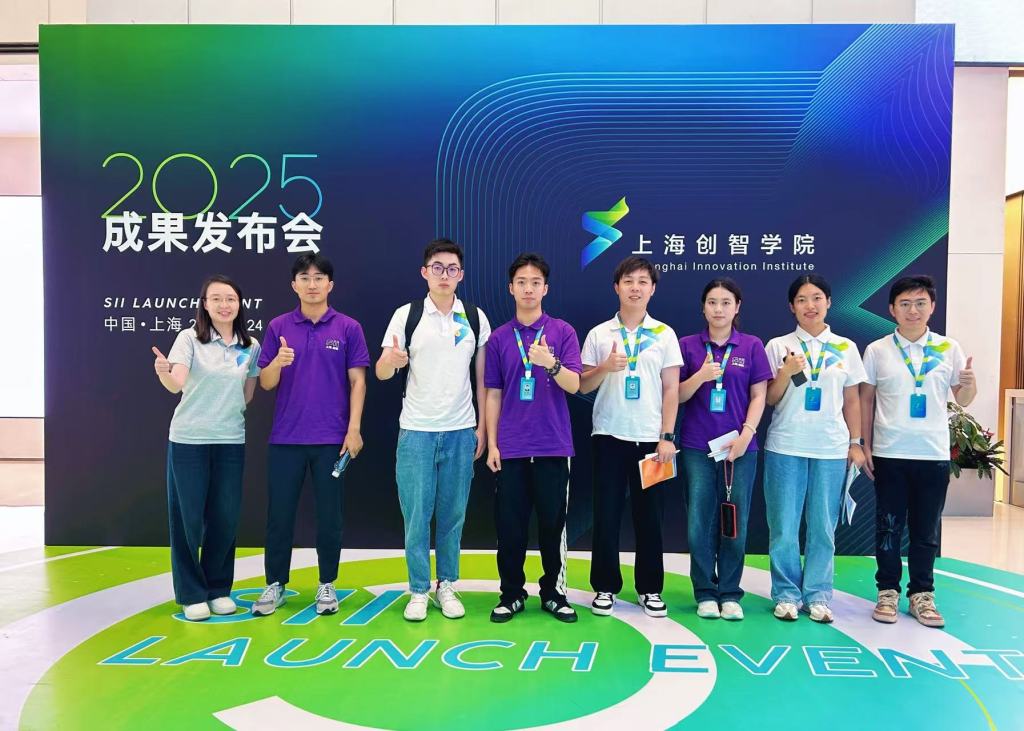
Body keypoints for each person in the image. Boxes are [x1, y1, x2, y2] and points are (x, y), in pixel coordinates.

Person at [376, 238, 490, 621]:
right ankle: (418, 589)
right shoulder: (407, 315)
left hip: (461, 430)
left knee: (453, 515)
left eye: (452, 269)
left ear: (461, 274)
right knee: (416, 516)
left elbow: (483, 379)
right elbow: (381, 371)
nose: (445, 275)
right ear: (425, 272)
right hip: (416, 431)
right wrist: (392, 361)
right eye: (437, 268)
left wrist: (482, 428)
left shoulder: (474, 317)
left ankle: (447, 585)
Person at [251, 254, 369, 617]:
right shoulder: (278, 326)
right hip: (286, 438)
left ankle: (327, 584)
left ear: (330, 285)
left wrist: (353, 429)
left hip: (331, 439)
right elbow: (266, 382)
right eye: (305, 277)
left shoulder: (348, 327)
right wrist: (276, 363)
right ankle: (275, 584)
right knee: (279, 516)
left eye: (319, 278)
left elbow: (358, 381)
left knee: (330, 516)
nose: (312, 284)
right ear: (294, 285)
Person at [861, 275, 975, 628]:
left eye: (921, 303)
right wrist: (865, 445)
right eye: (906, 304)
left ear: (932, 307)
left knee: (926, 531)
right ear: (892, 309)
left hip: (933, 453)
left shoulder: (948, 348)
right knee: (888, 527)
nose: (913, 310)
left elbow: (963, 399)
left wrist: (970, 384)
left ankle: (922, 594)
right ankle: (887, 592)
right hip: (890, 452)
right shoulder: (878, 350)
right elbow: (866, 400)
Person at [153, 275, 261, 621]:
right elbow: (176, 383)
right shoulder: (189, 338)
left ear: (239, 304)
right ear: (204, 304)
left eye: (230, 298)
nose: (224, 305)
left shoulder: (250, 346)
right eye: (216, 299)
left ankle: (218, 589)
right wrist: (163, 372)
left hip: (230, 439)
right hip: (189, 439)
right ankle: (191, 594)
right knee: (187, 520)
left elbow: (247, 395)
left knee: (225, 518)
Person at [580, 255, 682, 618]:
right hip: (609, 435)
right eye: (628, 281)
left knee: (650, 518)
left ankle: (650, 588)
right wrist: (605, 367)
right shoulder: (599, 334)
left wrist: (667, 435)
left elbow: (671, 389)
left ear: (652, 289)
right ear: (616, 287)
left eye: (642, 282)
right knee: (606, 515)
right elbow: (582, 384)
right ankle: (604, 587)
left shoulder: (665, 334)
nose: (635, 288)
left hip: (652, 441)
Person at [763, 275, 867, 624]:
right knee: (784, 526)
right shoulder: (779, 346)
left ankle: (818, 595)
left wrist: (856, 443)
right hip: (786, 445)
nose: (810, 305)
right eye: (802, 299)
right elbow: (770, 399)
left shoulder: (845, 347)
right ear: (792, 306)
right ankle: (786, 594)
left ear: (829, 302)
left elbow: (852, 400)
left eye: (817, 297)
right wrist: (786, 372)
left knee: (823, 526)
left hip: (831, 448)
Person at [485, 253, 582, 623]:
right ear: (511, 288)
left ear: (546, 288)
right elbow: (493, 394)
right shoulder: (499, 338)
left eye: (535, 282)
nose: (528, 289)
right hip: (511, 448)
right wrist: (493, 443)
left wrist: (550, 364)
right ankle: (511, 594)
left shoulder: (562, 332)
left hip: (552, 446)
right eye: (522, 282)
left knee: (552, 526)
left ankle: (554, 593)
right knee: (510, 527)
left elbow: (574, 385)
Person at [678, 278, 770, 621]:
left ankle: (730, 592)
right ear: (703, 307)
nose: (719, 309)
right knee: (699, 522)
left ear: (737, 307)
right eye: (712, 302)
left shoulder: (751, 346)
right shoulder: (687, 345)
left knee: (735, 521)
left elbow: (759, 395)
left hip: (739, 447)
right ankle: (705, 591)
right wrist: (700, 376)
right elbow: (677, 395)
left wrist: (747, 434)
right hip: (696, 447)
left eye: (726, 302)